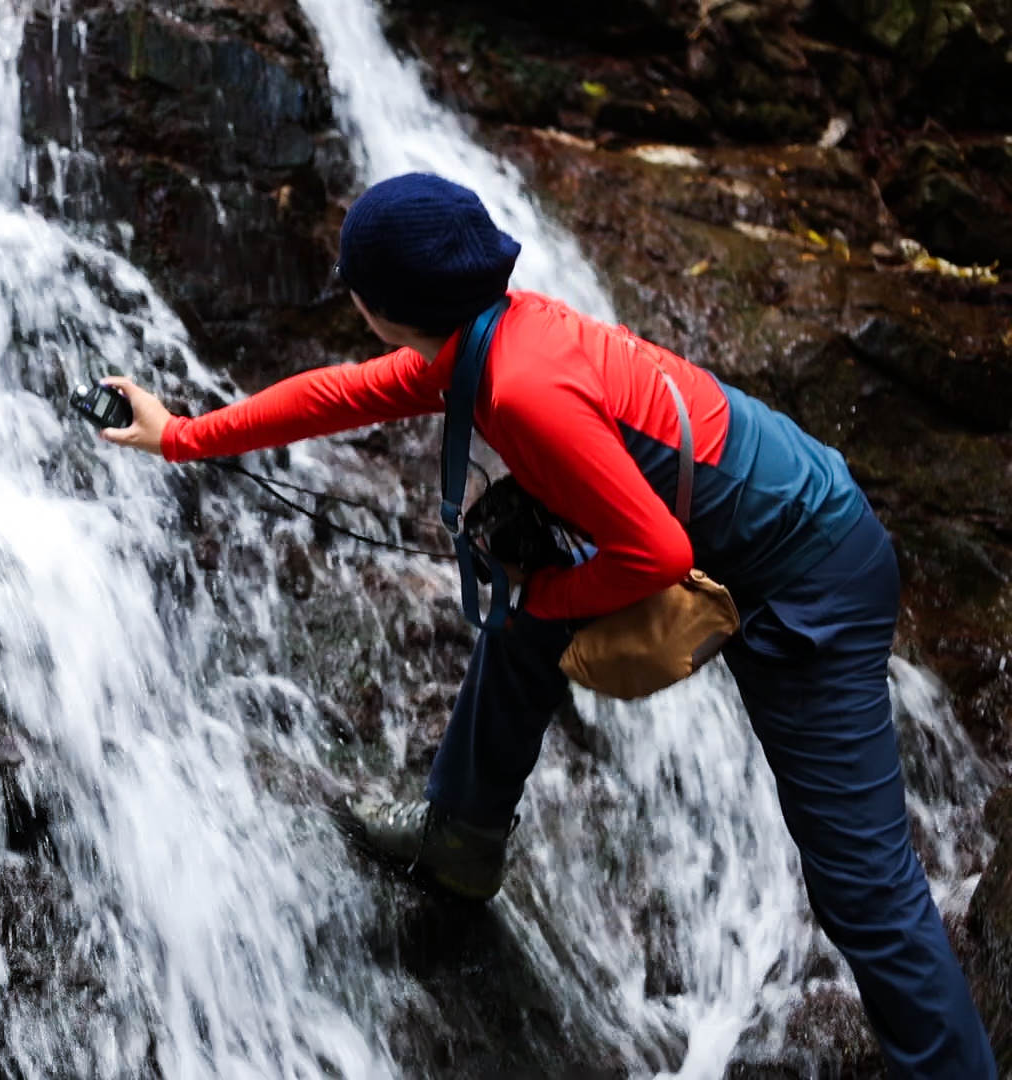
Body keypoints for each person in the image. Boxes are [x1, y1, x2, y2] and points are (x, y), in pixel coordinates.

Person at [96, 172, 994, 1078]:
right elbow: (341, 394)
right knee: (522, 616)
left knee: (863, 895)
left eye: (356, 280)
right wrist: (179, 434)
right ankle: (459, 842)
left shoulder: (523, 387)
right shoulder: (491, 338)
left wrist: (547, 600)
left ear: (385, 302)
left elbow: (656, 552)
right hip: (773, 539)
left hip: (815, 581)